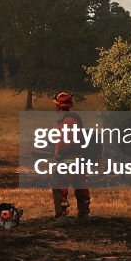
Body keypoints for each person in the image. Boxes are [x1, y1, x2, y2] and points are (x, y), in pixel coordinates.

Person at [49, 91, 91, 222]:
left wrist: (59, 152)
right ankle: (84, 215)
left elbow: (67, 141)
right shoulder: (73, 118)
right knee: (80, 184)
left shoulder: (68, 120)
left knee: (58, 183)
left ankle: (61, 216)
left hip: (68, 159)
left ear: (59, 106)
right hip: (79, 159)